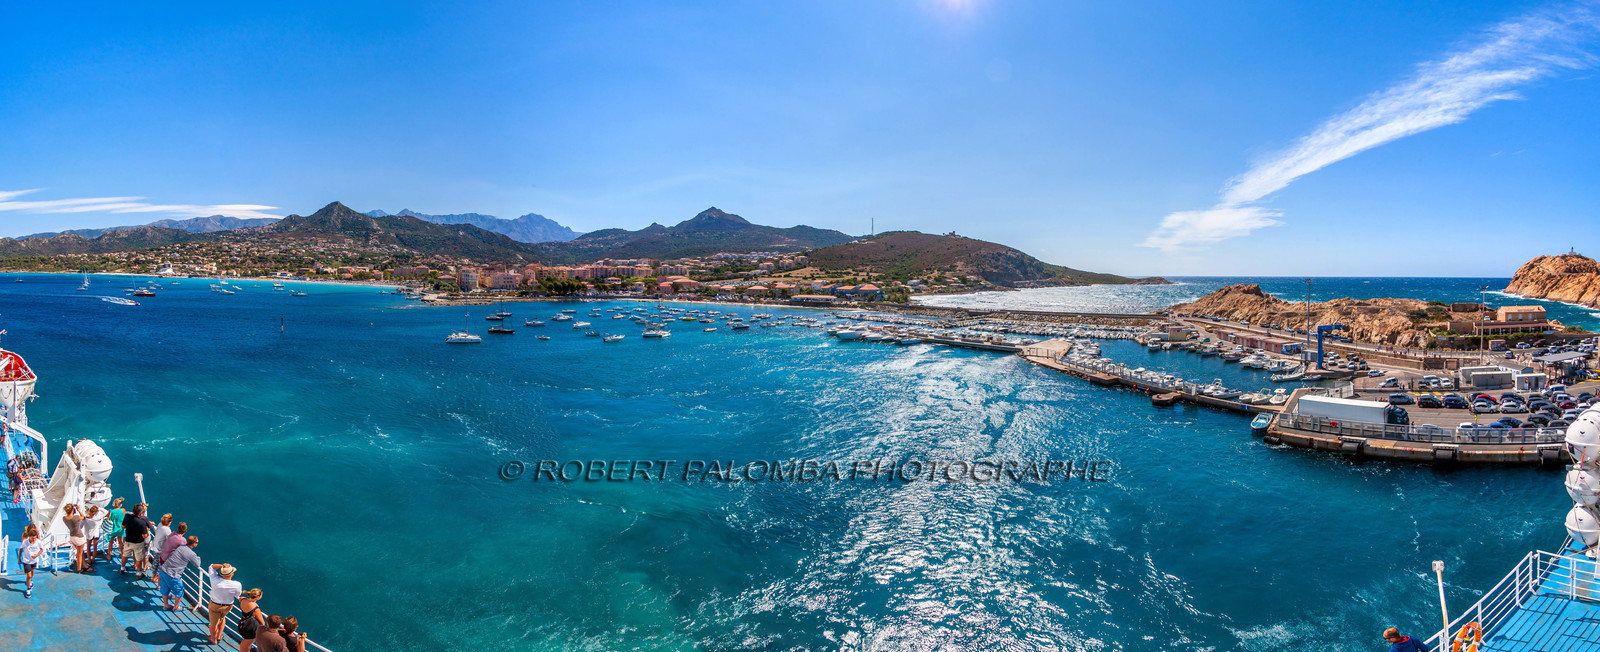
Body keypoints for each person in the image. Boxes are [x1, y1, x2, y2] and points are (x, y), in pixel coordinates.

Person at [157, 535, 201, 611]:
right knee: (180, 591)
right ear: (194, 544)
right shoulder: (191, 554)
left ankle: (166, 605)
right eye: (197, 542)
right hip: (173, 575)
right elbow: (198, 564)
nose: (197, 544)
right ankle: (176, 607)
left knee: (165, 589)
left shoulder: (180, 547)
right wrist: (198, 557)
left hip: (163, 570)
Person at [205, 563, 242, 645]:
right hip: (227, 606)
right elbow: (237, 595)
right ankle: (218, 637)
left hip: (214, 605)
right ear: (231, 574)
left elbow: (211, 567)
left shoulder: (215, 580)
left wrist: (222, 565)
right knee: (222, 618)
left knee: (213, 624)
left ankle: (213, 639)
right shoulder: (237, 584)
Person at [120, 502, 154, 579]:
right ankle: (139, 574)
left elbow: (122, 526)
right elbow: (144, 535)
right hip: (138, 543)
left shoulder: (127, 516)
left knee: (125, 555)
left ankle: (122, 568)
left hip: (128, 541)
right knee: (138, 559)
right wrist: (147, 532)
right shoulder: (141, 522)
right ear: (140, 513)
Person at [18, 524, 46, 598]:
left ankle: (29, 581)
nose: (34, 540)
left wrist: (37, 555)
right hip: (26, 560)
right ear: (29, 536)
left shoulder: (38, 541)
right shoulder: (25, 541)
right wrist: (19, 558)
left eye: (35, 538)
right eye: (32, 538)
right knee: (29, 575)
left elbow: (41, 548)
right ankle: (28, 589)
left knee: (32, 573)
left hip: (34, 560)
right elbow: (21, 548)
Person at [235, 588, 265, 652]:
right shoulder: (256, 609)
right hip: (250, 629)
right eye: (261, 595)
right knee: (248, 644)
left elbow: (241, 599)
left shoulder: (242, 599)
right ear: (257, 597)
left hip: (242, 624)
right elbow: (262, 623)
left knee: (245, 641)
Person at [63, 503, 89, 573]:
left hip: (72, 537)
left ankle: (85, 565)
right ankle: (79, 569)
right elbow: (83, 517)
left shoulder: (64, 518)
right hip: (79, 537)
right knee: (79, 554)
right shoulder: (76, 517)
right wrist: (78, 509)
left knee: (80, 552)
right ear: (72, 510)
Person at [104, 497, 125, 564]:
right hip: (120, 529)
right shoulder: (123, 510)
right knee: (121, 542)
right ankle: (122, 554)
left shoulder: (110, 511)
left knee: (111, 542)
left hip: (112, 529)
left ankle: (109, 555)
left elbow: (106, 516)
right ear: (120, 504)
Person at [83, 504, 104, 572]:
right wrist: (99, 508)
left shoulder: (86, 519)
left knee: (88, 547)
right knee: (95, 548)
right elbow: (105, 512)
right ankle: (93, 559)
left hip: (89, 535)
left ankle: (89, 560)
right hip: (96, 534)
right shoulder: (97, 519)